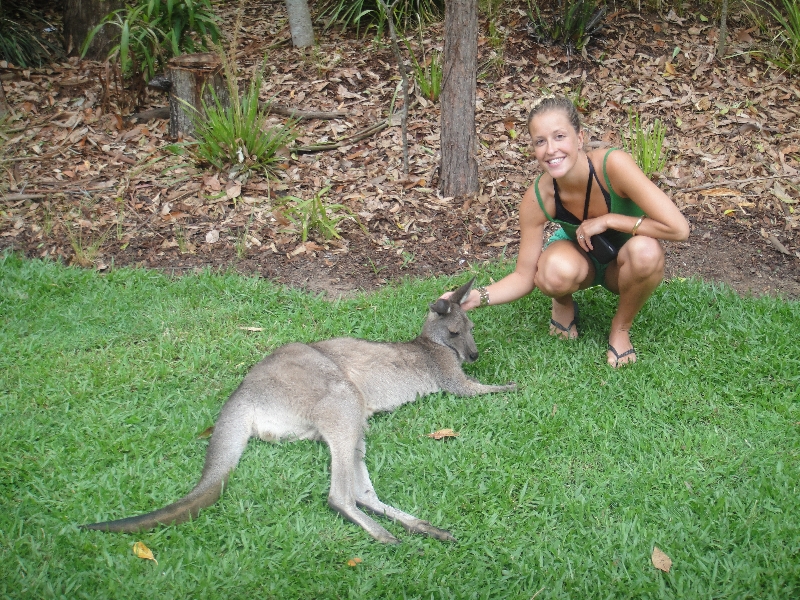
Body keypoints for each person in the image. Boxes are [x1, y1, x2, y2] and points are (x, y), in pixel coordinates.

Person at [450, 96, 690, 367]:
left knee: (646, 251)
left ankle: (620, 328)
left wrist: (610, 220)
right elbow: (523, 276)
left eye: (559, 136)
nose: (551, 149)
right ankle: (563, 303)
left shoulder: (613, 166)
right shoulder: (539, 196)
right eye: (540, 141)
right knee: (552, 272)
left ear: (579, 138)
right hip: (579, 259)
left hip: (625, 264)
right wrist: (475, 297)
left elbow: (679, 229)